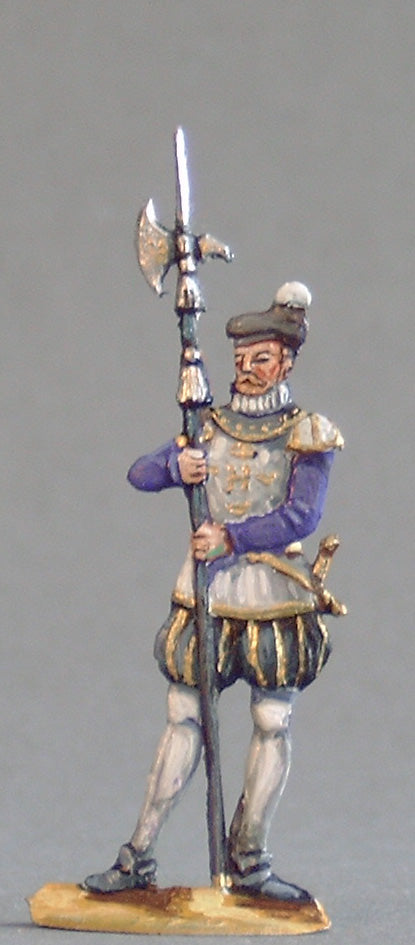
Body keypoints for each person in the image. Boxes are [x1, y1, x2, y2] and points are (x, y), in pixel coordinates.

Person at [82, 282, 343, 901]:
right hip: (205, 592)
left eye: (262, 358)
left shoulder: (308, 432)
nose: (248, 370)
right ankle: (138, 853)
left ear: (287, 362)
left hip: (272, 593)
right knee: (183, 718)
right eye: (242, 358)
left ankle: (249, 858)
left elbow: (302, 516)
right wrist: (176, 467)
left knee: (272, 720)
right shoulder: (205, 424)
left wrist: (232, 537)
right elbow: (140, 472)